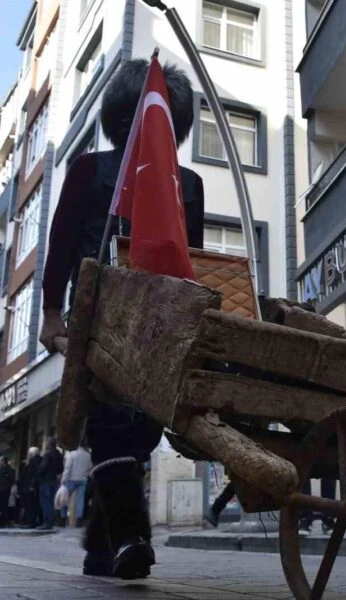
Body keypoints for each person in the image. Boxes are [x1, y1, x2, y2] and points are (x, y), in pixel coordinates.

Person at [39, 59, 204, 580]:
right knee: (110, 427)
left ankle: (99, 547)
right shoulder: (88, 169)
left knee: (141, 435)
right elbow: (62, 242)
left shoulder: (190, 184)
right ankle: (132, 538)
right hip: (98, 322)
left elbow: (189, 262)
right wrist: (49, 313)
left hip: (157, 328)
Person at [61, 443, 92, 527]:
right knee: (80, 500)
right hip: (82, 480)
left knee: (65, 499)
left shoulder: (72, 454)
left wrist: (63, 479)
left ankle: (63, 518)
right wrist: (85, 476)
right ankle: (79, 520)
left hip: (71, 479)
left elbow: (67, 468)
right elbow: (90, 468)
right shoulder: (88, 455)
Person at [38, 438, 64, 530]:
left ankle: (47, 523)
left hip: (46, 480)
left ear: (49, 444)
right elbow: (61, 468)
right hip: (54, 481)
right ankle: (52, 522)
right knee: (52, 502)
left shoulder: (47, 454)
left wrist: (39, 473)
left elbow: (43, 467)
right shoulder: (59, 454)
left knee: (45, 502)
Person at [20, 447, 41, 528]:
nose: (28, 455)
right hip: (36, 486)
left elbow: (34, 474)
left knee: (31, 505)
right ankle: (35, 521)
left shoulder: (33, 461)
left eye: (29, 454)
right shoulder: (39, 460)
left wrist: (32, 485)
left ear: (32, 454)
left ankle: (31, 522)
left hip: (31, 486)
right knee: (35, 504)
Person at [0, 456, 15, 528]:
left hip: (4, 489)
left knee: (3, 506)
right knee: (4, 505)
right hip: (6, 489)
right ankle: (4, 521)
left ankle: (3, 521)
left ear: (3, 461)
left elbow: (11, 480)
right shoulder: (9, 469)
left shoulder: (6, 470)